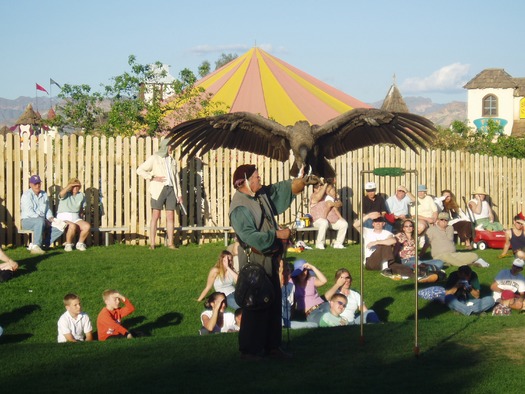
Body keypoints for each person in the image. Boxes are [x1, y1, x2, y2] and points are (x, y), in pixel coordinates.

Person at [228, 163, 312, 359]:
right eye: (256, 177)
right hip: (254, 259)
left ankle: (272, 346)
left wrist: (296, 184)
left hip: (270, 257)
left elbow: (275, 191)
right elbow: (250, 237)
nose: (260, 179)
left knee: (273, 300)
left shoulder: (259, 195)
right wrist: (277, 234)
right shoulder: (239, 207)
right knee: (255, 303)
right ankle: (249, 350)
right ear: (246, 182)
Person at [136, 138, 182, 250]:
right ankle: (152, 244)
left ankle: (170, 243)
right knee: (155, 216)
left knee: (170, 216)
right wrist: (152, 177)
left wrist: (179, 194)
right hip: (158, 190)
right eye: (171, 146)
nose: (172, 148)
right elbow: (140, 170)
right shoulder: (154, 158)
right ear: (166, 146)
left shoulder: (172, 161)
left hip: (171, 189)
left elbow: (176, 178)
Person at [354, 213, 414, 278]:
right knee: (386, 245)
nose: (378, 223)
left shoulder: (387, 233)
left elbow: (393, 240)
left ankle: (416, 276)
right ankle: (385, 269)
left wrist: (376, 242)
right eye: (376, 222)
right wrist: (368, 216)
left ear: (383, 224)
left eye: (380, 222)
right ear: (373, 224)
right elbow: (355, 225)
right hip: (371, 261)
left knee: (404, 268)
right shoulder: (367, 231)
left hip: (387, 261)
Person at [20, 174, 64, 254]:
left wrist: (51, 218)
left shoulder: (44, 194)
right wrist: (44, 220)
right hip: (27, 221)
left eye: (39, 183)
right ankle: (36, 246)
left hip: (42, 221)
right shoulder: (26, 195)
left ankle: (42, 245)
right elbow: (29, 212)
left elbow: (47, 209)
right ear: (30, 184)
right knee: (39, 221)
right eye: (35, 184)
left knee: (62, 225)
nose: (37, 186)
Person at [309, 181, 348, 249]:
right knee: (324, 222)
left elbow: (339, 203)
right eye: (320, 186)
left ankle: (338, 244)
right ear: (315, 189)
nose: (322, 187)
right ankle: (319, 244)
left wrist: (333, 204)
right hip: (318, 221)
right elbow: (319, 198)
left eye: (322, 186)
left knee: (344, 223)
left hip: (331, 221)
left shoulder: (328, 196)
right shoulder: (314, 196)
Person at [56, 178, 91, 252]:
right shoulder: (66, 194)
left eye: (77, 186)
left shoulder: (81, 195)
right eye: (74, 186)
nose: (75, 188)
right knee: (72, 225)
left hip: (75, 217)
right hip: (63, 217)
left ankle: (80, 243)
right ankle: (68, 245)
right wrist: (70, 185)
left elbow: (81, 208)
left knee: (87, 226)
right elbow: (61, 194)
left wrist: (81, 217)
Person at [280, 261, 318, 329]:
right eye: (283, 271)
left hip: (287, 321)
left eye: (288, 271)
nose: (286, 274)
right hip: (277, 320)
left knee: (314, 325)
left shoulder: (291, 286)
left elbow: (292, 305)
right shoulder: (273, 287)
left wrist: (291, 317)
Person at [291, 260, 329, 325]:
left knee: (334, 312)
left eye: (305, 270)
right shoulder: (293, 283)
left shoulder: (311, 280)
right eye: (300, 271)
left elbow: (324, 281)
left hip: (322, 305)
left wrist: (313, 267)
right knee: (324, 319)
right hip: (310, 311)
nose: (303, 273)